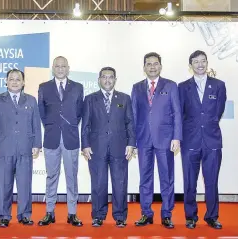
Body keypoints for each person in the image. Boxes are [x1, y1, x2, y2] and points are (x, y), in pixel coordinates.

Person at [131, 52, 182, 229]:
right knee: (145, 179)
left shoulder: (171, 85)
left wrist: (177, 137)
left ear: (160, 66)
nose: (152, 67)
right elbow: (134, 115)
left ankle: (166, 214)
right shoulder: (136, 87)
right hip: (143, 139)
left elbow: (177, 113)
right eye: (148, 64)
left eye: (155, 64)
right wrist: (132, 140)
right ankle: (146, 214)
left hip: (166, 139)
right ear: (144, 67)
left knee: (166, 178)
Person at [0, 69, 42, 228]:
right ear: (6, 81)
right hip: (4, 148)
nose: (15, 82)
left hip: (25, 148)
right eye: (12, 79)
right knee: (4, 184)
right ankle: (4, 215)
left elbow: (36, 125)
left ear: (23, 82)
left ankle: (25, 215)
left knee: (25, 184)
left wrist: (37, 144)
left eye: (18, 79)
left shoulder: (31, 100)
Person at [81, 67, 135, 227]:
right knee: (98, 183)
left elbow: (130, 123)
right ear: (99, 80)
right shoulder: (90, 99)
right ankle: (98, 215)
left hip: (120, 147)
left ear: (115, 80)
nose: (107, 80)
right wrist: (85, 145)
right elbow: (85, 124)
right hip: (96, 148)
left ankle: (120, 216)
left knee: (120, 182)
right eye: (104, 77)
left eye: (110, 77)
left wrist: (131, 143)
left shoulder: (125, 99)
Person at [178, 50, 226, 229]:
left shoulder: (219, 85)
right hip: (190, 141)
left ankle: (212, 216)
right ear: (190, 65)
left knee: (212, 181)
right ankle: (191, 217)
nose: (200, 64)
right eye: (196, 62)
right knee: (190, 181)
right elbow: (181, 113)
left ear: (207, 63)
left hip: (212, 141)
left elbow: (218, 111)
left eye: (203, 61)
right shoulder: (182, 87)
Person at [37, 56, 84, 227]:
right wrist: (52, 125)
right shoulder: (44, 87)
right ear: (52, 68)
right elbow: (42, 113)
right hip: (51, 138)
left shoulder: (78, 87)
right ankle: (49, 212)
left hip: (71, 138)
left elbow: (79, 113)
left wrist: (68, 125)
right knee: (51, 176)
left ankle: (72, 214)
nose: (60, 68)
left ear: (68, 68)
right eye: (57, 66)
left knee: (72, 177)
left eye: (63, 66)